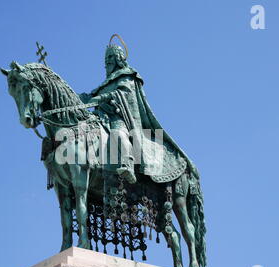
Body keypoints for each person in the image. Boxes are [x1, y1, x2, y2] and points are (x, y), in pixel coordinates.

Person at [80, 35, 199, 185]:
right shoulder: (104, 83)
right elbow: (88, 96)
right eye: (106, 58)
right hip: (101, 117)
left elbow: (124, 93)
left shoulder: (127, 75)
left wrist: (103, 98)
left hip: (120, 118)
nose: (107, 61)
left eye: (110, 57)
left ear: (118, 58)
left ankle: (127, 164)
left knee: (118, 134)